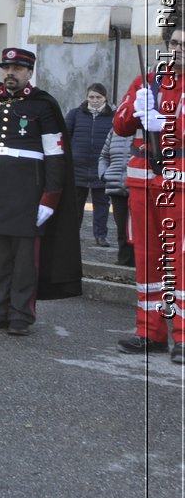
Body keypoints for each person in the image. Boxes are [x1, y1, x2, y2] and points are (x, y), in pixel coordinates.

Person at [0, 48, 81, 335]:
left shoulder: (43, 106)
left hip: (27, 194)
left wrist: (50, 198)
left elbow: (55, 154)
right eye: (7, 68)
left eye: (17, 68)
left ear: (29, 72)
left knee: (25, 261)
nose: (10, 73)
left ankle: (21, 315)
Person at [110, 25, 184, 361]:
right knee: (146, 258)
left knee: (180, 263)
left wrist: (165, 122)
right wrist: (136, 108)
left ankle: (182, 338)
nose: (178, 49)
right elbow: (121, 125)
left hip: (179, 183)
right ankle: (149, 332)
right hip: (142, 182)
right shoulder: (147, 80)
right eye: (174, 42)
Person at [65, 82, 115, 246]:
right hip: (77, 167)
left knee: (101, 204)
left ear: (105, 98)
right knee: (75, 205)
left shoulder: (113, 116)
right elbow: (65, 136)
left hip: (100, 167)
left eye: (98, 97)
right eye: (91, 97)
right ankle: (72, 233)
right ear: (86, 97)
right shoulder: (75, 114)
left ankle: (100, 235)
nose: (94, 100)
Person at [97, 125, 135, 268]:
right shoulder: (114, 130)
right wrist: (104, 174)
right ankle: (124, 260)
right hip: (115, 184)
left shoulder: (145, 128)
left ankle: (141, 261)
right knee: (121, 226)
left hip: (138, 184)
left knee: (139, 226)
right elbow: (104, 156)